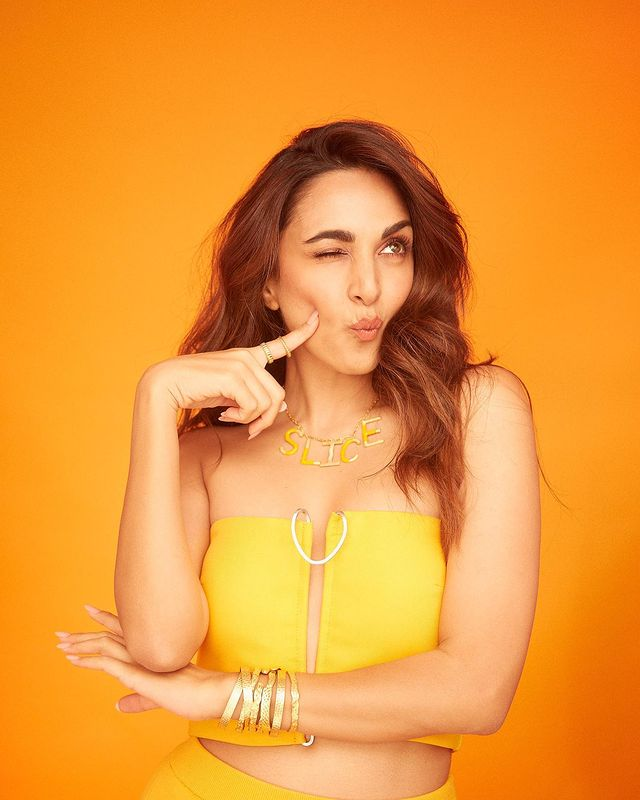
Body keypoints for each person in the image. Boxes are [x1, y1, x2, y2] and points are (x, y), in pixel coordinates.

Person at [55, 119, 542, 799]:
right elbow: (160, 648)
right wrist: (154, 399)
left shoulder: (476, 413)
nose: (368, 285)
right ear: (268, 283)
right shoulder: (206, 456)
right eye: (331, 252)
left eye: (393, 247)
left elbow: (478, 692)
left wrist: (225, 694)